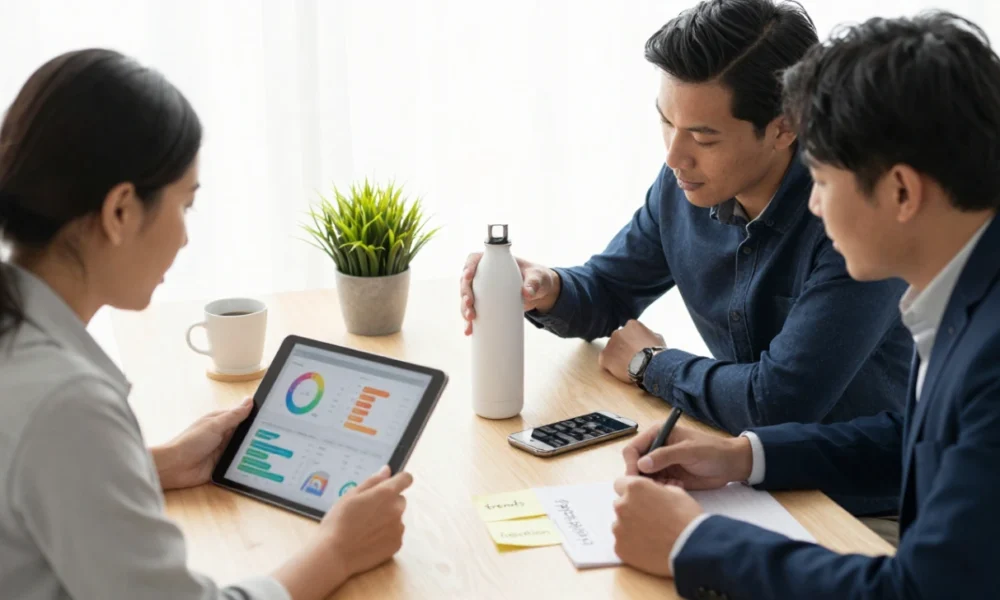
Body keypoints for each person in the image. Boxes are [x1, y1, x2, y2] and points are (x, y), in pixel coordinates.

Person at [611, 10, 1000, 599]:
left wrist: (694, 543)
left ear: (901, 191)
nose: (813, 207)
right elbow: (918, 437)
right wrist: (745, 457)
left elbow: (922, 591)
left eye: (820, 180)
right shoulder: (962, 287)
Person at [0, 49, 412, 600]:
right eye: (186, 205)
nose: (186, 238)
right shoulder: (67, 403)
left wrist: (158, 464)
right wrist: (337, 551)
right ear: (120, 211)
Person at [458, 0, 913, 442]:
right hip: (743, 467)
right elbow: (611, 289)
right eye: (666, 122)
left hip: (862, 506)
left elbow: (778, 403)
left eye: (703, 137)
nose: (674, 157)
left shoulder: (857, 221)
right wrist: (547, 287)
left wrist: (650, 364)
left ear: (784, 127)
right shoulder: (686, 184)